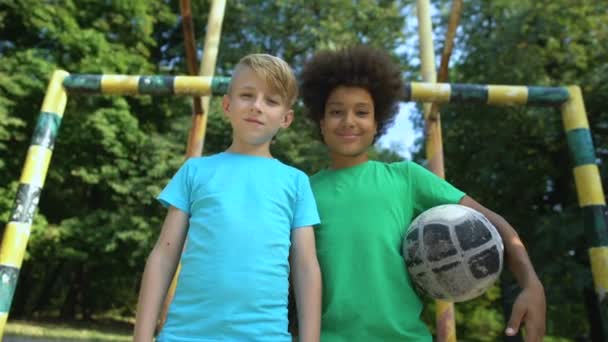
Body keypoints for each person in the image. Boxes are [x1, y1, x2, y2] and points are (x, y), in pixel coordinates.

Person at [298, 45, 546, 342]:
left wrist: (532, 285)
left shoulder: (406, 177)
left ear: (377, 124)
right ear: (321, 122)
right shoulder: (301, 191)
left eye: (361, 112)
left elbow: (497, 224)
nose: (349, 120)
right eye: (336, 112)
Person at [134, 53, 322, 342]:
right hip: (184, 335)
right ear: (226, 105)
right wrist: (142, 337)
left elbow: (306, 268)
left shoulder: (296, 182)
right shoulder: (195, 170)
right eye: (247, 95)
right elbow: (163, 256)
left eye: (271, 100)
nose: (257, 106)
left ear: (286, 118)